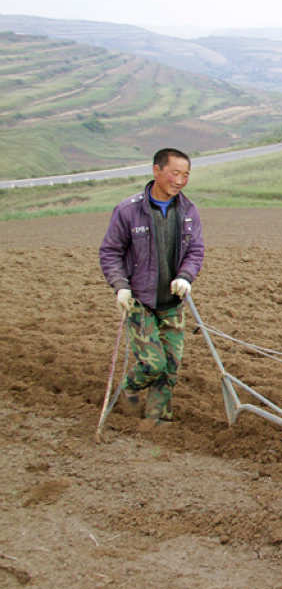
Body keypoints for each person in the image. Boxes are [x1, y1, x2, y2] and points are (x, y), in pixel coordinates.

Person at [99, 148, 205, 428]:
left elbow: (196, 250)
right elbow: (110, 252)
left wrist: (186, 276)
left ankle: (157, 422)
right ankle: (130, 388)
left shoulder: (188, 211)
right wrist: (120, 286)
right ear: (157, 171)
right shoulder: (128, 210)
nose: (181, 180)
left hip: (172, 303)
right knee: (153, 364)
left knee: (170, 367)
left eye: (186, 175)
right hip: (140, 301)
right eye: (175, 173)